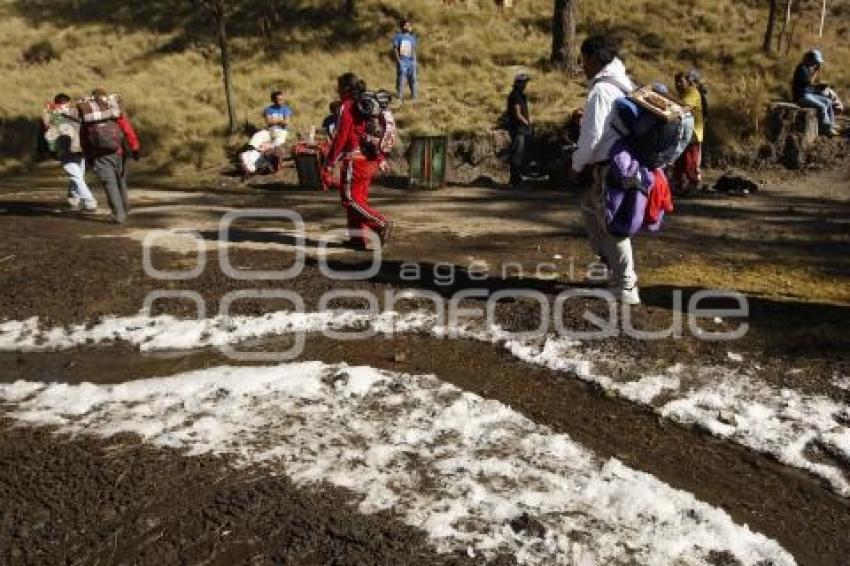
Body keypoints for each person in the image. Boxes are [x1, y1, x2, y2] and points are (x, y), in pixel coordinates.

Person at [568, 35, 640, 305]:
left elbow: (592, 137)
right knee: (591, 212)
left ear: (595, 59)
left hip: (607, 166)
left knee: (613, 225)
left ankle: (626, 286)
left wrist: (576, 165)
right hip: (621, 162)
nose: (582, 65)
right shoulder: (623, 83)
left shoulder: (601, 90)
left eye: (584, 59)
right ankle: (607, 267)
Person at [323, 73, 393, 250]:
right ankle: (358, 238)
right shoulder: (365, 104)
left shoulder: (347, 106)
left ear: (346, 89)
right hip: (369, 158)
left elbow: (342, 136)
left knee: (349, 200)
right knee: (359, 198)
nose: (337, 90)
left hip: (355, 160)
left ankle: (381, 223)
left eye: (339, 87)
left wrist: (329, 161)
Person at [79, 88, 140, 224]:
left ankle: (119, 214)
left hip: (99, 156)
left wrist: (88, 157)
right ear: (106, 98)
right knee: (121, 181)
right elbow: (127, 130)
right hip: (118, 152)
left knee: (110, 184)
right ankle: (125, 207)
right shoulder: (114, 112)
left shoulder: (88, 116)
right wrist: (135, 148)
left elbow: (84, 140)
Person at [43, 93, 97, 212]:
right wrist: (51, 111)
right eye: (63, 106)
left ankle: (73, 197)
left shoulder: (75, 112)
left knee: (79, 176)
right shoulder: (52, 116)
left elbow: (86, 110)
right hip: (64, 152)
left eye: (67, 106)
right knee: (77, 176)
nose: (65, 109)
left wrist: (88, 101)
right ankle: (90, 201)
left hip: (79, 150)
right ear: (57, 105)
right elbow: (46, 124)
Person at [672, 70, 706, 195]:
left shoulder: (692, 92)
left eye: (681, 82)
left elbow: (685, 107)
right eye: (676, 82)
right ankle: (679, 184)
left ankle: (693, 185)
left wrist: (670, 111)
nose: (678, 84)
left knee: (690, 161)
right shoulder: (682, 94)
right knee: (679, 160)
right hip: (683, 132)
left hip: (693, 134)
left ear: (688, 82)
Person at [792, 49, 840, 137]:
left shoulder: (807, 68)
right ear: (810, 60)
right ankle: (826, 128)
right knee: (822, 106)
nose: (816, 64)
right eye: (815, 62)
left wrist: (819, 86)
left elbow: (809, 84)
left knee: (828, 102)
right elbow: (809, 82)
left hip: (807, 94)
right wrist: (816, 72)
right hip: (801, 97)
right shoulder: (802, 68)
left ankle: (831, 124)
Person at [506, 73, 533, 188]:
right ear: (517, 83)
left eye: (525, 82)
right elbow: (517, 113)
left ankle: (516, 179)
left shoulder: (521, 95)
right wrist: (526, 122)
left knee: (519, 154)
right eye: (523, 82)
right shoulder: (515, 95)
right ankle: (515, 180)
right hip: (518, 129)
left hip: (522, 128)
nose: (525, 84)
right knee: (517, 154)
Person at [392, 19, 418, 101]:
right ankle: (399, 97)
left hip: (411, 61)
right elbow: (395, 49)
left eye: (409, 25)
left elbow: (413, 50)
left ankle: (414, 97)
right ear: (403, 26)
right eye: (407, 25)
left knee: (413, 79)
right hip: (403, 61)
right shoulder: (398, 36)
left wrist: (415, 61)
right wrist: (398, 60)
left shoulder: (412, 38)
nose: (408, 27)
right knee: (401, 80)